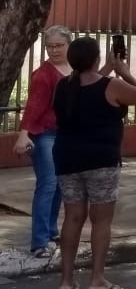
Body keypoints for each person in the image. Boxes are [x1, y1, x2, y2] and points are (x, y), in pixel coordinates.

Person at [54, 36, 136, 289]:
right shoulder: (112, 85)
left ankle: (66, 281)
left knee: (72, 217)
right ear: (96, 59)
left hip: (67, 158)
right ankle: (97, 279)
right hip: (101, 161)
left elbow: (87, 85)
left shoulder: (63, 86)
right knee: (101, 219)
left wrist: (107, 69)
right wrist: (124, 72)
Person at [12, 26, 74, 258]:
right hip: (45, 134)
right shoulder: (44, 75)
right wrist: (23, 134)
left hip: (65, 135)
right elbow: (34, 106)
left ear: (69, 44)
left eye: (59, 45)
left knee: (59, 185)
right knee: (47, 185)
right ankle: (39, 242)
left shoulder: (74, 69)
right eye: (50, 46)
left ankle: (50, 231)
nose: (54, 50)